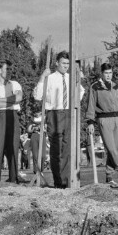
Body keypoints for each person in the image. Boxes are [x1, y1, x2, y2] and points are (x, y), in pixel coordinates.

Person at [34, 51, 85, 189]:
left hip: (68, 113)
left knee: (68, 149)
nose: (66, 66)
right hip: (54, 114)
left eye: (68, 64)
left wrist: (79, 80)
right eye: (63, 63)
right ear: (57, 63)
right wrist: (41, 78)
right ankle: (58, 181)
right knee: (56, 150)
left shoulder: (71, 78)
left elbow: (80, 92)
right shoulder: (49, 78)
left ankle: (67, 181)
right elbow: (38, 96)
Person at [86, 63, 118, 188]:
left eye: (110, 73)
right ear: (102, 73)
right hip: (103, 119)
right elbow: (91, 105)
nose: (108, 75)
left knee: (115, 148)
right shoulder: (95, 87)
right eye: (106, 73)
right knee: (110, 148)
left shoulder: (116, 85)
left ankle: (109, 177)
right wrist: (90, 121)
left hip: (117, 118)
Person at [0, 59, 25, 183]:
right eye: (6, 69)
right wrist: (9, 100)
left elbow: (19, 98)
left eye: (10, 69)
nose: (9, 71)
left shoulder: (15, 84)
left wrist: (1, 100)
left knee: (13, 147)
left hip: (12, 116)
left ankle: (14, 179)